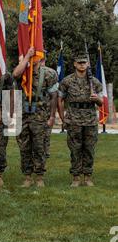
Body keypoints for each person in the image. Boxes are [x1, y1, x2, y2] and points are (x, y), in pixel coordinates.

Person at [13, 47, 58, 188]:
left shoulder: (50, 74)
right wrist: (26, 57)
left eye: (39, 55)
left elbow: (54, 96)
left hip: (41, 115)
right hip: (23, 115)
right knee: (24, 146)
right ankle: (27, 177)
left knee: (40, 147)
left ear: (42, 57)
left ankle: (39, 177)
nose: (36, 57)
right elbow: (15, 75)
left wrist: (52, 116)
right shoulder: (23, 71)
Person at [58, 52, 103, 187]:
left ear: (88, 64)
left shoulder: (94, 82)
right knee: (75, 149)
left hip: (90, 120)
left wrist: (97, 99)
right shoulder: (67, 81)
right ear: (75, 64)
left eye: (84, 63)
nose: (82, 65)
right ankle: (76, 177)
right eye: (79, 63)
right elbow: (60, 100)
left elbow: (102, 102)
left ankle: (88, 176)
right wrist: (62, 118)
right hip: (73, 119)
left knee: (89, 148)